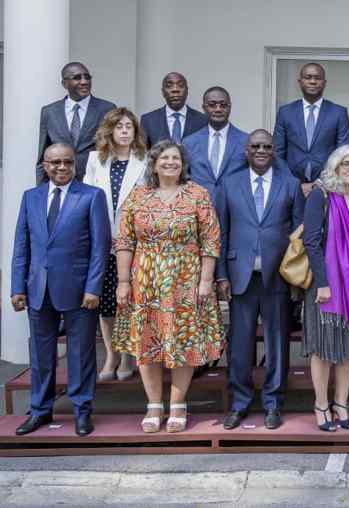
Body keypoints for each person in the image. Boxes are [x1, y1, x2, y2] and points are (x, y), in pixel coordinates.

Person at [112, 140, 225, 433]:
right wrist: (123, 281)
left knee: (183, 341)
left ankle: (177, 404)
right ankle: (153, 405)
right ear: (154, 163)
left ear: (183, 164)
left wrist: (206, 280)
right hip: (145, 280)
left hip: (186, 279)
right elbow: (124, 241)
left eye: (175, 158)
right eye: (164, 158)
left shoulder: (197, 194)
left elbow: (211, 240)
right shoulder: (137, 196)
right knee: (147, 341)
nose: (170, 162)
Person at [12, 143, 111, 436]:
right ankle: (40, 411)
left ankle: (82, 411)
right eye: (55, 162)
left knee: (81, 355)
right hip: (37, 289)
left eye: (67, 162)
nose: (62, 167)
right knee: (41, 356)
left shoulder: (92, 196)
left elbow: (100, 247)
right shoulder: (30, 197)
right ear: (45, 166)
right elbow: (21, 246)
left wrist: (93, 288)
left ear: (74, 164)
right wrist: (17, 287)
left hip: (80, 291)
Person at [215, 130, 304, 431]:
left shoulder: (290, 184)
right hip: (240, 277)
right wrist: (221, 275)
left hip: (277, 277)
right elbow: (221, 233)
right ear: (246, 150)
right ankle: (239, 403)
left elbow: (299, 235)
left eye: (267, 146)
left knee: (277, 343)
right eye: (256, 146)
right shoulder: (229, 184)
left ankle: (273, 403)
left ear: (274, 150)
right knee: (240, 344)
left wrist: (296, 278)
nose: (262, 150)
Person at [302, 145, 349, 432]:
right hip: (328, 284)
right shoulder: (320, 195)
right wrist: (322, 283)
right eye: (346, 163)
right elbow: (311, 242)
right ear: (335, 167)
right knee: (323, 347)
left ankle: (341, 404)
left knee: (348, 348)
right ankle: (321, 404)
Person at [83, 107, 148, 382]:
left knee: (130, 301)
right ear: (109, 131)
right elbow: (86, 197)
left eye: (128, 126)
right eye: (119, 126)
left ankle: (129, 355)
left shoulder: (145, 160)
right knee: (107, 303)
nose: (123, 131)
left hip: (135, 242)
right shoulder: (94, 160)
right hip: (102, 240)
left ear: (135, 132)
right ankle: (112, 354)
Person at [274, 62, 349, 194]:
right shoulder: (285, 112)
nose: (313, 81)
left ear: (324, 83)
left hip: (328, 188)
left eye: (317, 78)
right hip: (291, 187)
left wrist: (321, 183)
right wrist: (294, 184)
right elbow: (278, 154)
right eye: (308, 77)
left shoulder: (338, 113)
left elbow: (343, 154)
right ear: (300, 82)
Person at [36, 62, 116, 182]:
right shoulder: (49, 112)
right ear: (64, 84)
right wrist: (41, 189)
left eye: (87, 77)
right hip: (60, 182)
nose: (84, 82)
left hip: (94, 181)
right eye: (77, 78)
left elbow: (114, 150)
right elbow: (43, 156)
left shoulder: (107, 109)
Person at [183, 87, 249, 202]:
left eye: (223, 105)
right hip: (198, 206)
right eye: (212, 105)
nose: (218, 109)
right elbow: (183, 178)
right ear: (204, 108)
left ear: (230, 107)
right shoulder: (189, 142)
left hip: (233, 207)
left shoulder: (246, 141)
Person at [140, 72, 207, 147]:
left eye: (180, 85)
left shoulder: (203, 120)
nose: (175, 89)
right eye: (169, 86)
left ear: (187, 91)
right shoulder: (148, 120)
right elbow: (143, 152)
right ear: (163, 92)